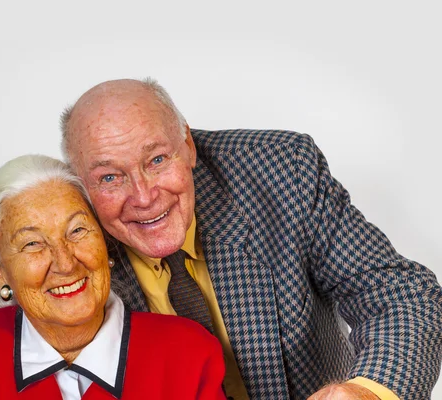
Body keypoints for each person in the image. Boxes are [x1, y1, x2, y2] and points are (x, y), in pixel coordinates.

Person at [60, 78, 442, 400]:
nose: (144, 198)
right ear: (80, 184)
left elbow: (401, 295)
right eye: (110, 177)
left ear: (188, 146)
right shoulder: (64, 232)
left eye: (157, 160)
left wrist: (367, 392)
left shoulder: (281, 170)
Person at [0, 154, 226, 400]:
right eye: (32, 244)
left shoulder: (186, 353)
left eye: (77, 231)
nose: (65, 264)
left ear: (104, 243)